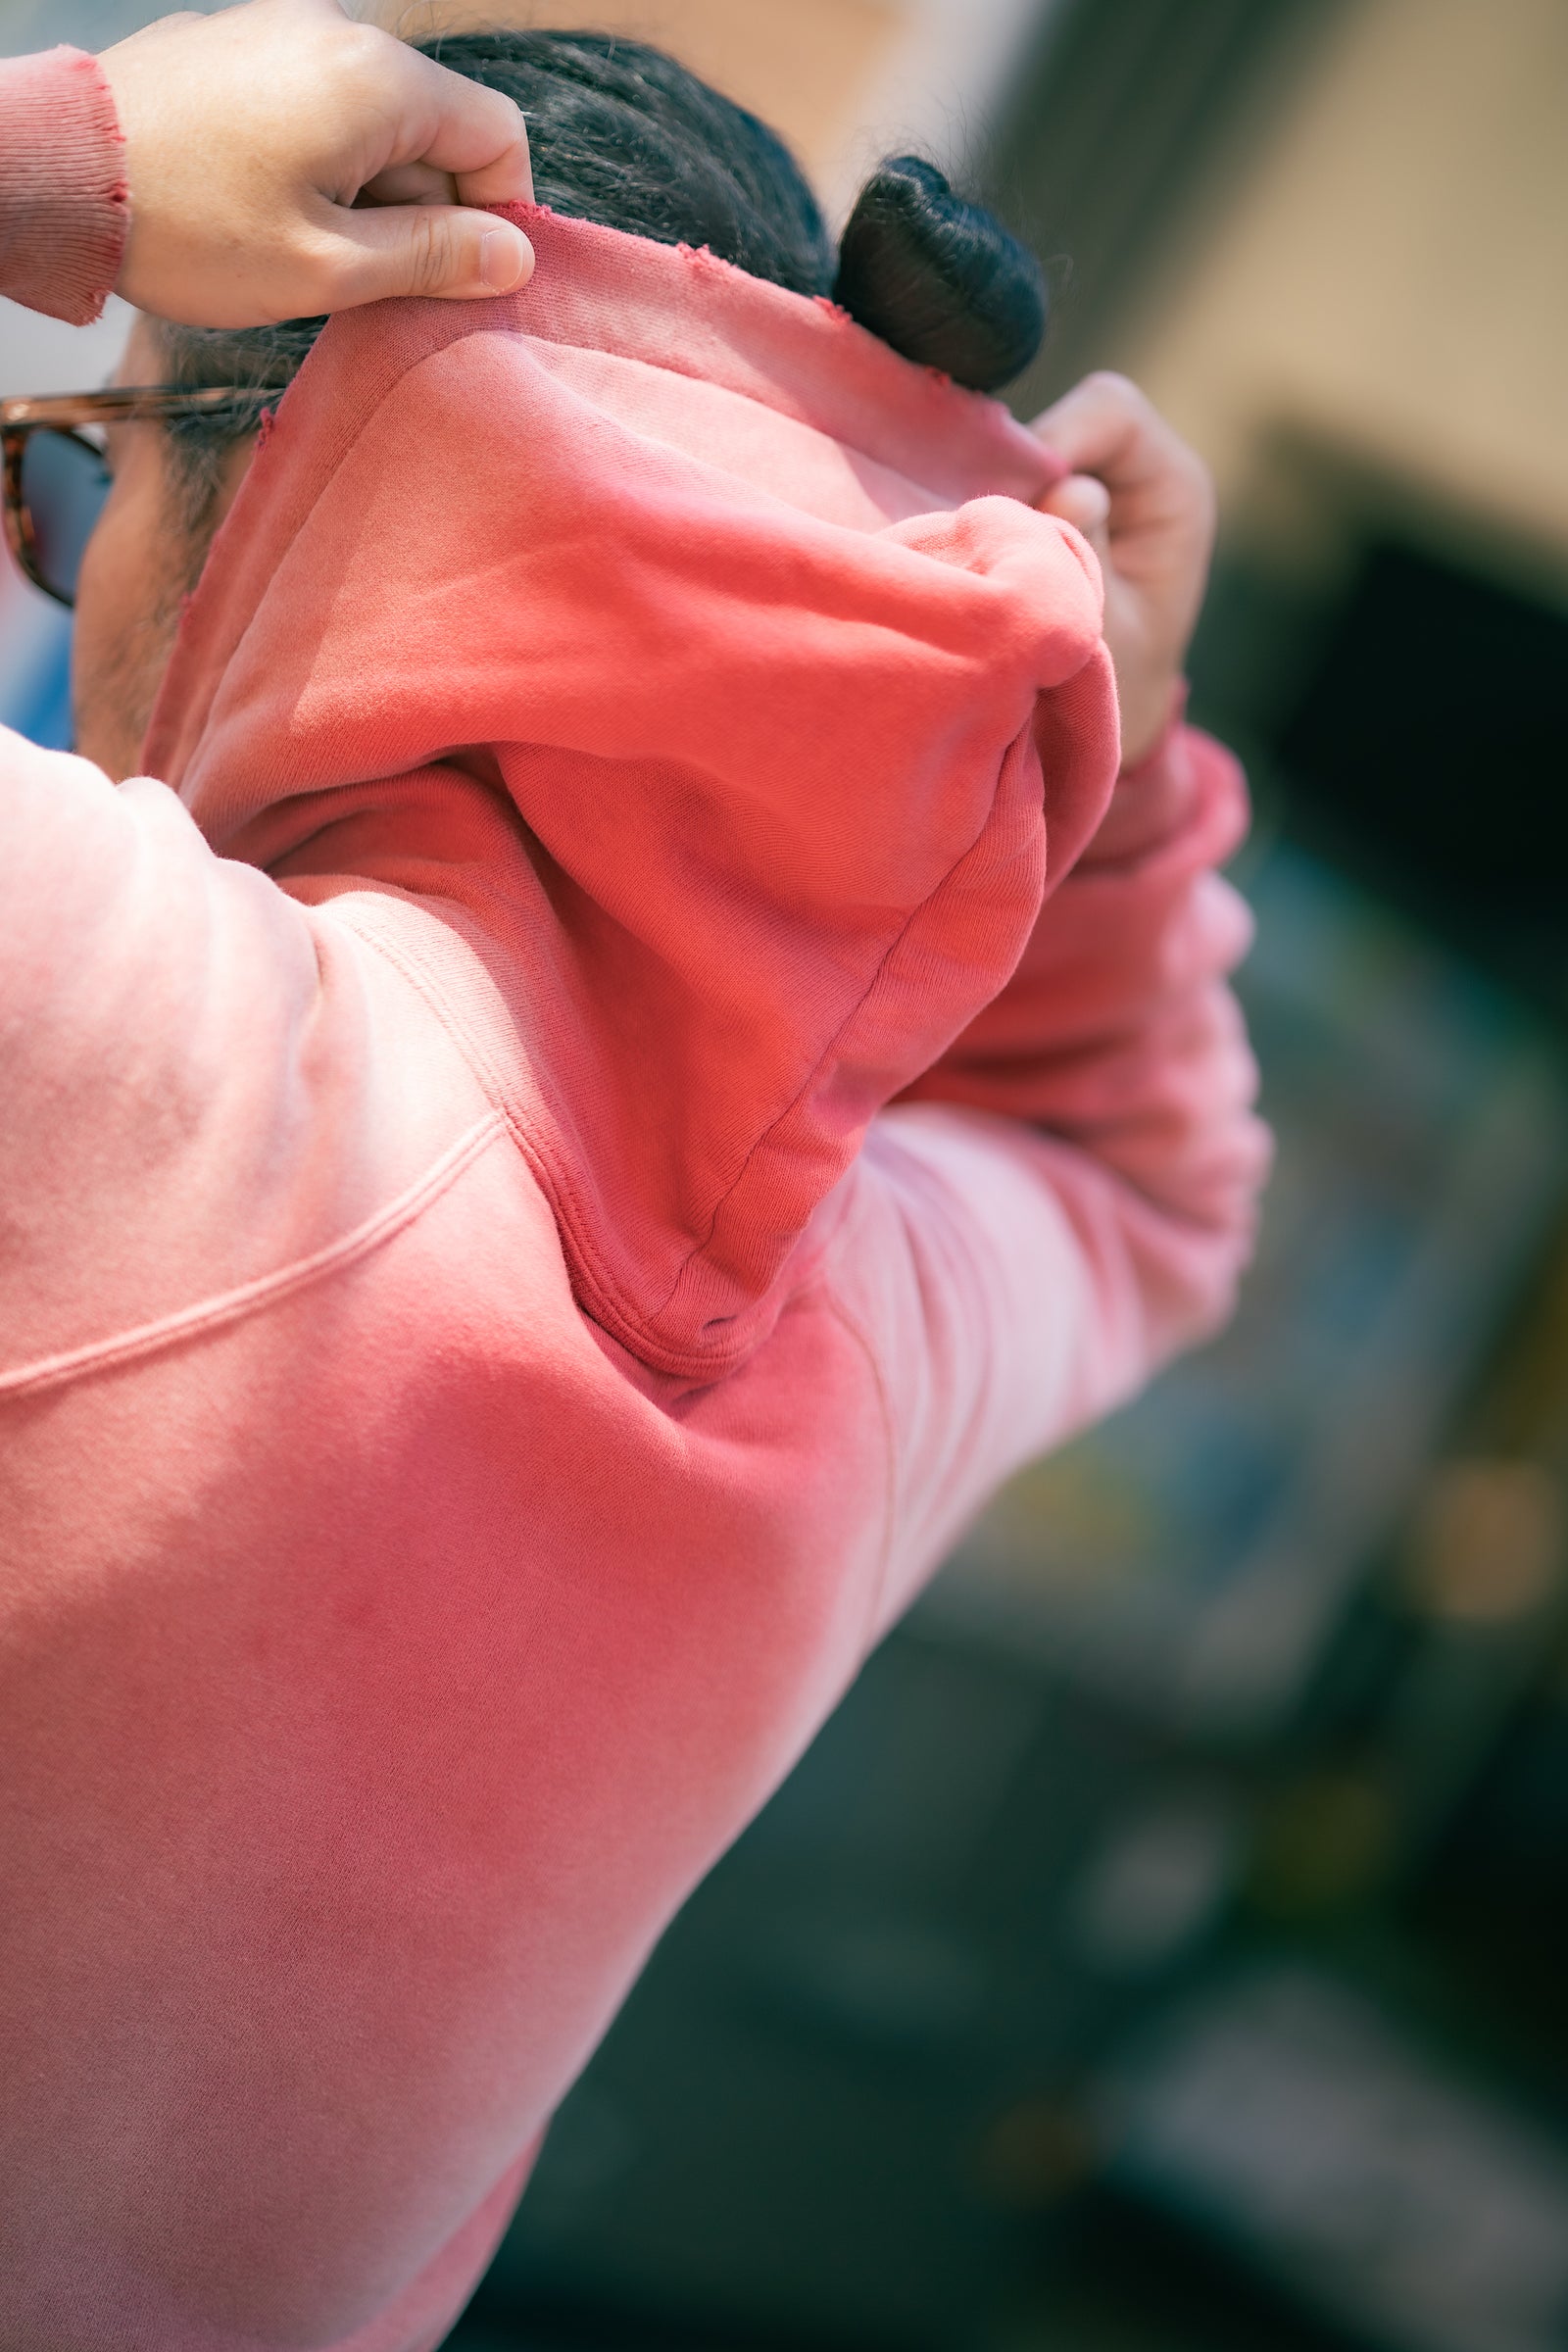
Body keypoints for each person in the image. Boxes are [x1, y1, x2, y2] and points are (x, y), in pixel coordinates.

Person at [0, 13, 1269, 2350]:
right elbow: (1143, 1179)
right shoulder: (845, 1344)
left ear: (304, 511)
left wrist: (72, 155)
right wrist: (1133, 751)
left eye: (72, 484)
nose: (64, 608)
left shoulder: (93, 1020)